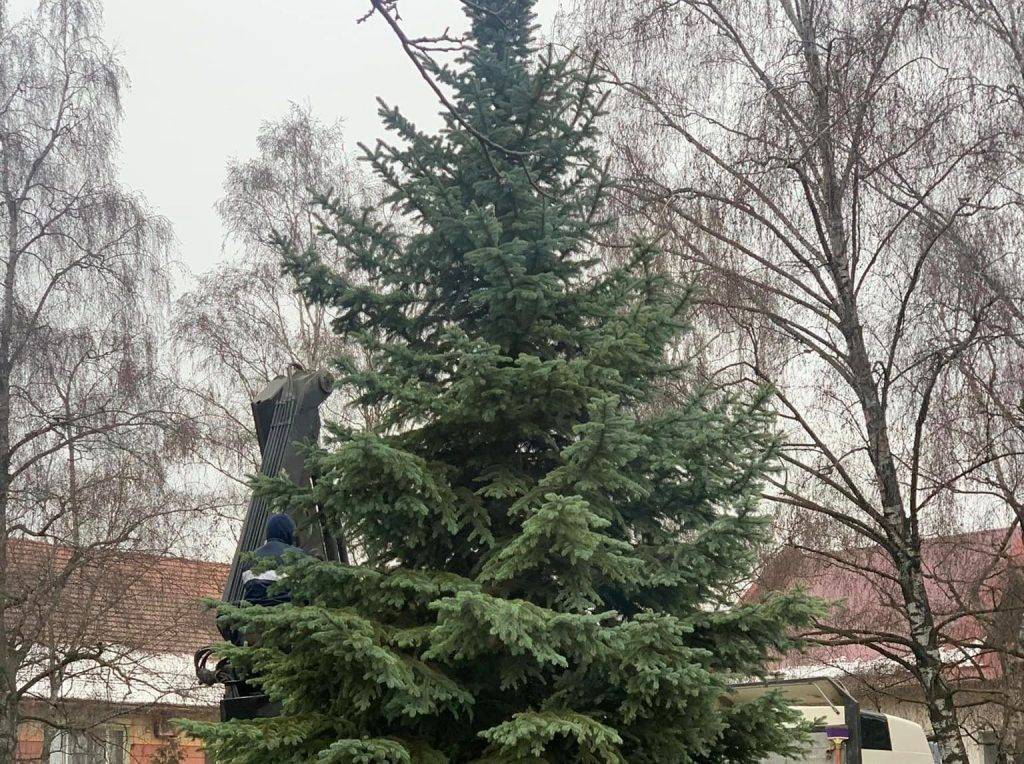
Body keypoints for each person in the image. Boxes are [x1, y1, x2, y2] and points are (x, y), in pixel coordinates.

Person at [240, 513, 307, 606]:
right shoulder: (297, 556)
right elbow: (307, 592)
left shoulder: (250, 559)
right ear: (290, 532)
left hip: (253, 614)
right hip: (287, 614)